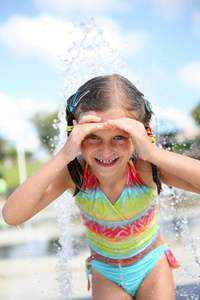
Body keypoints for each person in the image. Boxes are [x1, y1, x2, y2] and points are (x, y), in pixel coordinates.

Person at [2, 74, 200, 300]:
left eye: (119, 137)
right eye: (93, 136)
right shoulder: (75, 173)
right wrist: (63, 156)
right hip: (106, 273)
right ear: (74, 133)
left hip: (151, 264)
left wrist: (154, 152)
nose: (106, 151)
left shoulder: (145, 166)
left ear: (141, 135)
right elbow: (12, 216)